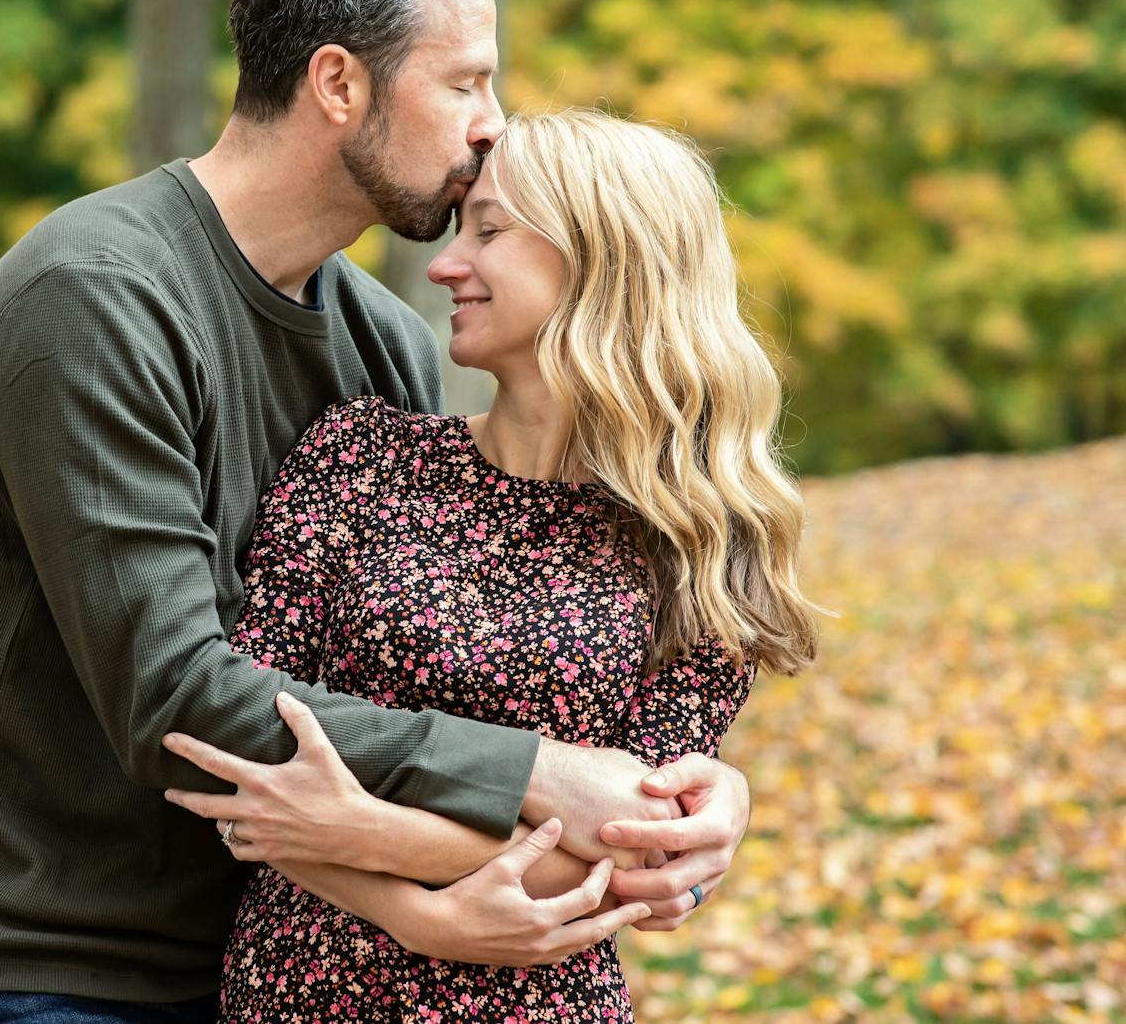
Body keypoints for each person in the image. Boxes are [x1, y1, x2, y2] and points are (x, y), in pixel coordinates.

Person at [0, 0, 755, 1024]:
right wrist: (541, 775)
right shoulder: (92, 299)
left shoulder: (383, 341)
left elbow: (404, 678)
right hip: (62, 959)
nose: (490, 127)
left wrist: (687, 795)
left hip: (294, 955)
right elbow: (176, 700)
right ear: (339, 83)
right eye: (463, 84)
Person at [160, 110, 824, 1020]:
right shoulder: (359, 456)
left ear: (603, 258)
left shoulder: (695, 539)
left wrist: (363, 828)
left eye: (490, 230)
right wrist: (415, 907)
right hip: (300, 990)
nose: (443, 263)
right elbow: (248, 756)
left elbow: (633, 851)